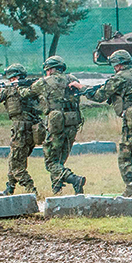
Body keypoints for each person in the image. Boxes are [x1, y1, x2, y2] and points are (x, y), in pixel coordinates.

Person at [88, 50, 132, 197]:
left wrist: (83, 90)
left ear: (118, 65)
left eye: (114, 65)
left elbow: (99, 96)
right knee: (129, 152)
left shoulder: (119, 78)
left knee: (124, 156)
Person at [22, 56, 86, 194]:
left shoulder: (44, 82)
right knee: (60, 160)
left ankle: (74, 179)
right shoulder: (73, 79)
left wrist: (17, 86)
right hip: (72, 123)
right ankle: (57, 189)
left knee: (51, 162)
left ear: (50, 69)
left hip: (56, 125)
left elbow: (26, 94)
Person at [0, 64, 42, 196]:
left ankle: (31, 189)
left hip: (20, 129)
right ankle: (10, 188)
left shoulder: (10, 90)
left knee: (15, 164)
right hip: (33, 129)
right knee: (15, 159)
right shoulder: (31, 88)